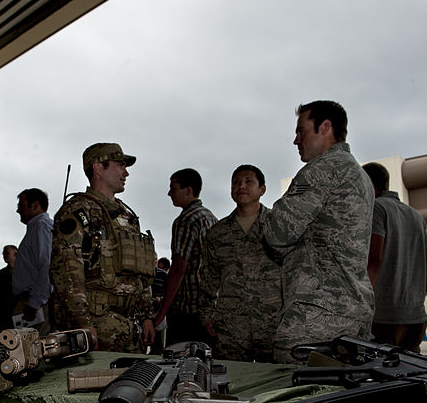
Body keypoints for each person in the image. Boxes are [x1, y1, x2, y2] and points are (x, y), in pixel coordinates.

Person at [261, 100, 374, 363]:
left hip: (317, 316)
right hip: (353, 310)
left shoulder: (322, 169)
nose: (296, 140)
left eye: (301, 131)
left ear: (325, 127)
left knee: (295, 393)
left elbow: (277, 233)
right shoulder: (358, 174)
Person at [50, 142, 156, 352]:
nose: (126, 173)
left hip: (130, 329)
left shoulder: (127, 215)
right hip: (98, 329)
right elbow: (67, 273)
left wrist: (147, 317)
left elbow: (140, 271)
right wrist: (83, 324)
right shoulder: (78, 211)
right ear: (98, 168)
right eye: (120, 165)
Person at [200, 165, 282, 361]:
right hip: (231, 326)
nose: (241, 186)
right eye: (236, 182)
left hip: (272, 322)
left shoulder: (278, 226)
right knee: (230, 381)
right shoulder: (218, 233)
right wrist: (207, 316)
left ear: (262, 189)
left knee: (273, 382)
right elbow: (209, 277)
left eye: (248, 181)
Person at [363, 162, 427, 353]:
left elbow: (374, 258)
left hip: (385, 318)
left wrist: (361, 306)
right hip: (415, 317)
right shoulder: (416, 215)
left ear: (368, 185)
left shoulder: (376, 208)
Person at [154, 168, 217, 345]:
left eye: (173, 188)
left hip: (187, 313)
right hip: (208, 310)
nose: (169, 193)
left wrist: (161, 314)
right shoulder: (210, 218)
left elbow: (178, 270)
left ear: (188, 190)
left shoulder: (185, 220)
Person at [13, 188, 53, 334]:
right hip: (31, 302)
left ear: (35, 206)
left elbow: (47, 266)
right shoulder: (36, 228)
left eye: (21, 205)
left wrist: (34, 303)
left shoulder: (42, 227)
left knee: (35, 350)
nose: (17, 210)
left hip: (36, 305)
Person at [0, 245, 18, 330]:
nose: (4, 256)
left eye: (7, 253)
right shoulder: (1, 274)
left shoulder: (23, 273)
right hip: (3, 316)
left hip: (17, 314)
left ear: (15, 254)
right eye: (3, 253)